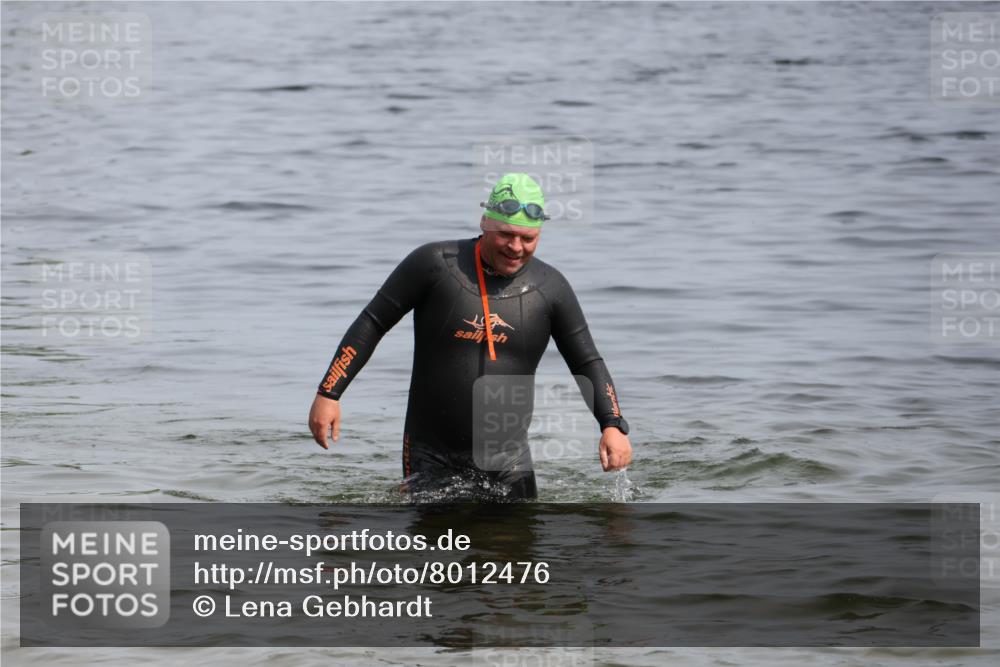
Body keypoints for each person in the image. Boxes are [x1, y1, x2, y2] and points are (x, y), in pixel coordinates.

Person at [308, 173, 632, 500]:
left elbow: (586, 360)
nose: (516, 247)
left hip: (510, 460)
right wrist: (329, 392)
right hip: (430, 453)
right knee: (436, 548)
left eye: (528, 238)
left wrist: (612, 424)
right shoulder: (434, 265)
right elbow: (372, 322)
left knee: (518, 549)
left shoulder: (551, 289)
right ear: (484, 222)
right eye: (506, 234)